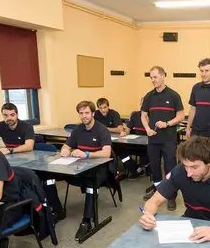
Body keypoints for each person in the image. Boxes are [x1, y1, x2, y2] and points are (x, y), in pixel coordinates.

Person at [57, 101, 115, 239]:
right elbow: (66, 146)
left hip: (100, 169)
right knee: (50, 177)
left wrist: (88, 154)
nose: (84, 116)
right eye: (81, 113)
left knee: (90, 183)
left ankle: (87, 221)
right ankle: (56, 211)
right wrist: (65, 150)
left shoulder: (102, 130)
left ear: (93, 113)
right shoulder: (77, 130)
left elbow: (107, 153)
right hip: (80, 168)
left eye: (87, 113)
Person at [141, 66, 185, 211]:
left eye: (155, 77)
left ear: (163, 76)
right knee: (154, 167)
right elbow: (143, 115)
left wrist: (167, 124)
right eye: (151, 78)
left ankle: (171, 196)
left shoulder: (173, 95)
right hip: (153, 140)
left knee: (169, 168)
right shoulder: (149, 96)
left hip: (168, 139)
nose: (153, 80)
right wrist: (147, 129)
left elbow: (180, 116)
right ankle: (158, 190)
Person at [119, 100, 150, 179]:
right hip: (135, 143)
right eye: (142, 104)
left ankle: (146, 166)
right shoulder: (135, 115)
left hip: (148, 145)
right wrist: (124, 132)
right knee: (121, 151)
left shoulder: (154, 116)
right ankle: (135, 169)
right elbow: (128, 129)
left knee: (150, 152)